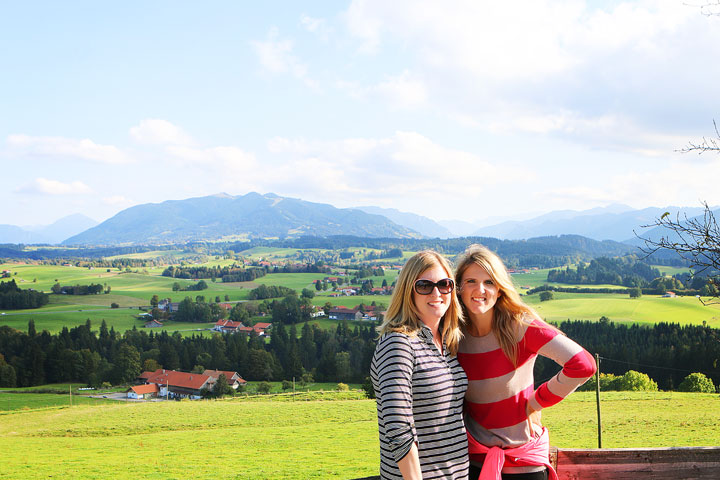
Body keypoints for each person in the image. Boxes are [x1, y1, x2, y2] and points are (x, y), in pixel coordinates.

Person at [454, 245, 596, 480]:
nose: (480, 289)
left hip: (524, 466)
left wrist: (536, 402)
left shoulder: (521, 326)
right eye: (471, 281)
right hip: (473, 463)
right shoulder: (454, 335)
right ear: (459, 288)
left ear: (500, 289)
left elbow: (583, 364)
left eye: (489, 282)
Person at [371, 250, 469, 480]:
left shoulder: (447, 343)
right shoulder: (398, 344)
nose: (436, 293)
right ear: (408, 292)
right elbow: (398, 429)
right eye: (424, 286)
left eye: (444, 284)